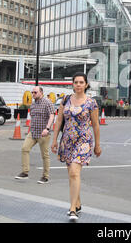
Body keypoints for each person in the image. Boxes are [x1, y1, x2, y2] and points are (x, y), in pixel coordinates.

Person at [51, 72, 101, 221]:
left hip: (83, 141)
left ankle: (72, 209)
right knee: (72, 175)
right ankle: (77, 203)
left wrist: (97, 145)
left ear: (86, 85)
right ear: (72, 84)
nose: (78, 85)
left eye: (81, 82)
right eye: (76, 82)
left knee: (74, 172)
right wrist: (54, 140)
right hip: (67, 141)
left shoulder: (91, 103)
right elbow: (59, 121)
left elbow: (96, 125)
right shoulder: (65, 100)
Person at [15, 86, 55, 184]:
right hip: (33, 132)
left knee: (45, 155)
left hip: (43, 133)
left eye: (35, 92)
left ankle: (45, 176)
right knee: (25, 148)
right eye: (32, 92)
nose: (33, 94)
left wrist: (47, 128)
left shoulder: (47, 103)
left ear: (41, 92)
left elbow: (52, 115)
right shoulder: (33, 104)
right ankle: (25, 172)